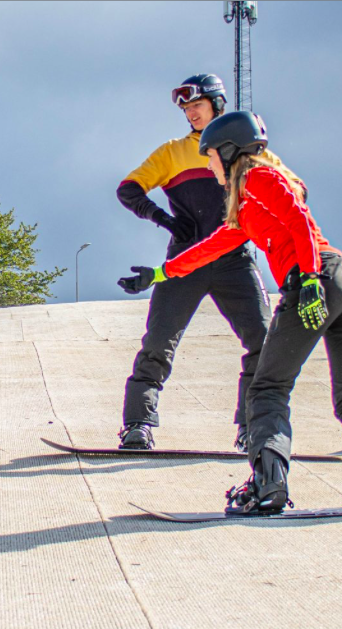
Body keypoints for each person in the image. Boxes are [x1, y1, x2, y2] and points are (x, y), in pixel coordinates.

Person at [123, 110, 342, 513]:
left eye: (210, 156)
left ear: (228, 152)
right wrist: (159, 273)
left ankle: (267, 486)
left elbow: (298, 220)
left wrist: (309, 279)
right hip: (335, 279)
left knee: (267, 387)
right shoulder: (244, 208)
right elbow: (213, 246)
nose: (207, 165)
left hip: (317, 276)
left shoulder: (259, 176)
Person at [116, 73, 301, 452]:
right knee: (158, 343)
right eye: (186, 109)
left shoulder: (246, 149)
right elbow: (128, 189)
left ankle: (251, 427)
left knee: (262, 343)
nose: (190, 115)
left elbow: (296, 189)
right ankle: (138, 424)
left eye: (196, 106)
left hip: (235, 261)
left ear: (218, 105)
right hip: (185, 259)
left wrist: (256, 212)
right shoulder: (172, 151)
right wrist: (163, 218)